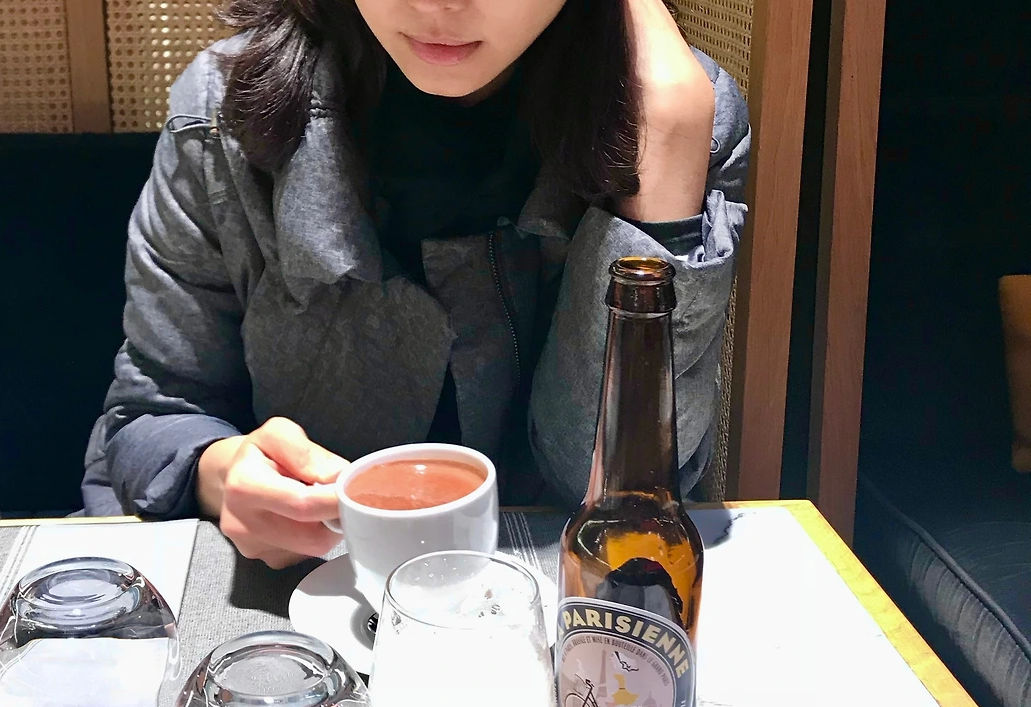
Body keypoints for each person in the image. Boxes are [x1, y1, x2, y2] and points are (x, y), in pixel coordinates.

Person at [81, 0, 750, 568]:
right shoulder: (222, 115)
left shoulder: (675, 111)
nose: (440, 4)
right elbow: (148, 418)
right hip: (292, 617)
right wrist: (223, 471)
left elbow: (614, 493)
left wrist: (666, 161)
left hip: (550, 624)